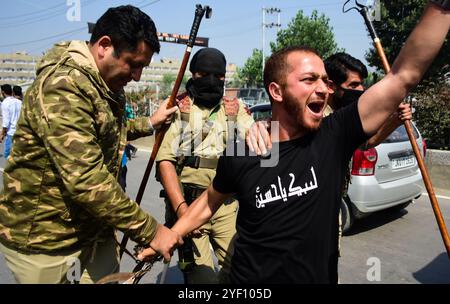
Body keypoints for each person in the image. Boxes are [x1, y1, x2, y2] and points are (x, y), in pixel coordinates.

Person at [139, 2, 450, 283]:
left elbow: (403, 75)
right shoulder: (242, 150)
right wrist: (171, 234)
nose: (324, 89)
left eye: (325, 80)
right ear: (276, 92)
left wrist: (441, 7)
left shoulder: (334, 135)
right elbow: (208, 202)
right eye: (308, 80)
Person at [0, 5, 182, 284]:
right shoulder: (64, 85)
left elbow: (106, 129)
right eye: (133, 64)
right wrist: (153, 232)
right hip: (47, 242)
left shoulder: (106, 84)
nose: (137, 77)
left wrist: (149, 123)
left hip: (94, 232)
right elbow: (86, 179)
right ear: (104, 46)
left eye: (143, 68)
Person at [155, 47, 254, 284]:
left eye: (219, 77)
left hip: (225, 206)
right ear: (193, 75)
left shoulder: (234, 108)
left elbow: (258, 138)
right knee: (203, 279)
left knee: (242, 270)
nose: (212, 81)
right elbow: (165, 161)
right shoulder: (178, 108)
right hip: (189, 206)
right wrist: (182, 211)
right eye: (203, 74)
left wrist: (266, 133)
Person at [0, 84, 22, 158]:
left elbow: (6, 122)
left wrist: (2, 134)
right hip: (20, 132)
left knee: (7, 156)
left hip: (11, 133)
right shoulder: (19, 102)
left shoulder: (5, 103)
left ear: (3, 92)